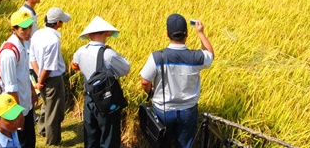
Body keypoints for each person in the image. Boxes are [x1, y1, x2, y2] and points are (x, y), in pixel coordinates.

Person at [140, 14, 214, 148]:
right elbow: (210, 55)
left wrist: (151, 92)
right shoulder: (196, 57)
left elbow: (145, 81)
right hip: (188, 111)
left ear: (167, 34)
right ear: (186, 35)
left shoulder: (157, 57)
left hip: (162, 110)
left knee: (161, 144)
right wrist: (201, 33)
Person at [72, 16, 131, 148]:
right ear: (107, 33)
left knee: (91, 136)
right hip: (106, 99)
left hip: (89, 99)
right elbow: (126, 68)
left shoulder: (80, 51)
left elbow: (74, 65)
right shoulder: (108, 54)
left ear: (89, 35)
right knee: (108, 137)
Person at [29, 7, 72, 146]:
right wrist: (41, 81)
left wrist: (38, 77)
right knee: (54, 111)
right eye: (62, 21)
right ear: (58, 22)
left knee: (46, 104)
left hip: (39, 76)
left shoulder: (37, 34)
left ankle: (42, 129)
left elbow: (32, 58)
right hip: (52, 80)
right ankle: (53, 141)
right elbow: (48, 66)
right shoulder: (54, 41)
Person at [0, 10, 37, 148]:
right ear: (13, 29)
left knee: (30, 141)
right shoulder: (9, 53)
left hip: (26, 104)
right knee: (22, 143)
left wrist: (32, 90)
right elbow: (10, 87)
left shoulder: (23, 43)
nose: (28, 31)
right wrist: (18, 114)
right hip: (18, 107)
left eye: (30, 27)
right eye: (24, 29)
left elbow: (24, 73)